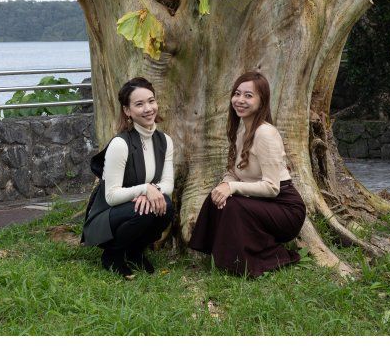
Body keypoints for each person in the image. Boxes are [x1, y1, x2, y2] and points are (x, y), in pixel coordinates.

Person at [188, 71, 306, 277]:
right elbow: (233, 172)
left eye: (248, 96)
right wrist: (224, 186)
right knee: (217, 198)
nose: (240, 100)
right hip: (263, 203)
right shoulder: (241, 131)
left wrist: (232, 187)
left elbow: (272, 187)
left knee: (233, 205)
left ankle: (252, 259)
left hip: (285, 207)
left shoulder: (265, 133)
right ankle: (222, 255)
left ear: (262, 102)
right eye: (237, 94)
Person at [82, 77, 174, 277]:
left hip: (136, 208)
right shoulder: (120, 144)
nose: (148, 108)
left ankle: (135, 252)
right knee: (145, 210)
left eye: (151, 101)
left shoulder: (165, 141)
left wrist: (152, 192)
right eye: (139, 104)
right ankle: (112, 255)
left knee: (165, 205)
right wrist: (144, 189)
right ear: (127, 111)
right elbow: (111, 196)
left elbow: (168, 183)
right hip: (107, 218)